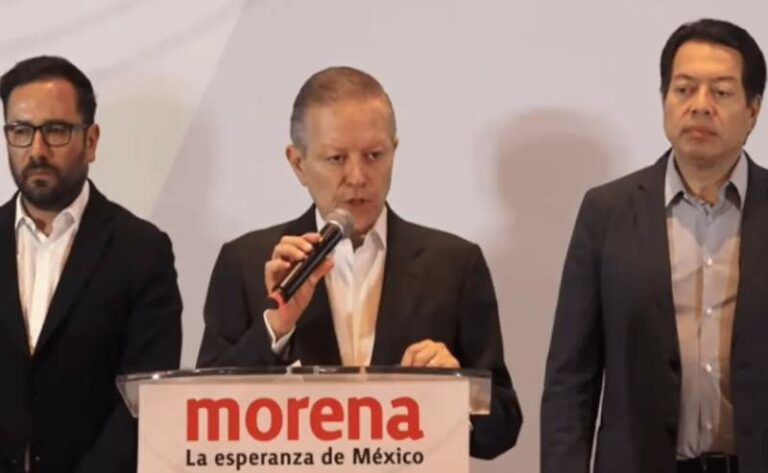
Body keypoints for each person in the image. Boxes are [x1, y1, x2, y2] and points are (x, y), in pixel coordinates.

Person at [197, 66, 522, 459]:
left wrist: (456, 388)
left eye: (373, 155)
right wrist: (276, 326)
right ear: (298, 164)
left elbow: (502, 427)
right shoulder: (247, 263)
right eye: (336, 158)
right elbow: (199, 415)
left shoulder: (454, 264)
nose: (357, 176)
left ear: (394, 151)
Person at [542, 18, 767, 473]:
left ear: (753, 110)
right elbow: (571, 378)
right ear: (664, 99)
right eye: (684, 89)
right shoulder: (607, 211)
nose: (700, 106)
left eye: (721, 92)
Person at [0, 56, 182, 473]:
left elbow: (144, 398)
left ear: (91, 140)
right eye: (21, 131)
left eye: (56, 131)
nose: (37, 150)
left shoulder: (143, 251)